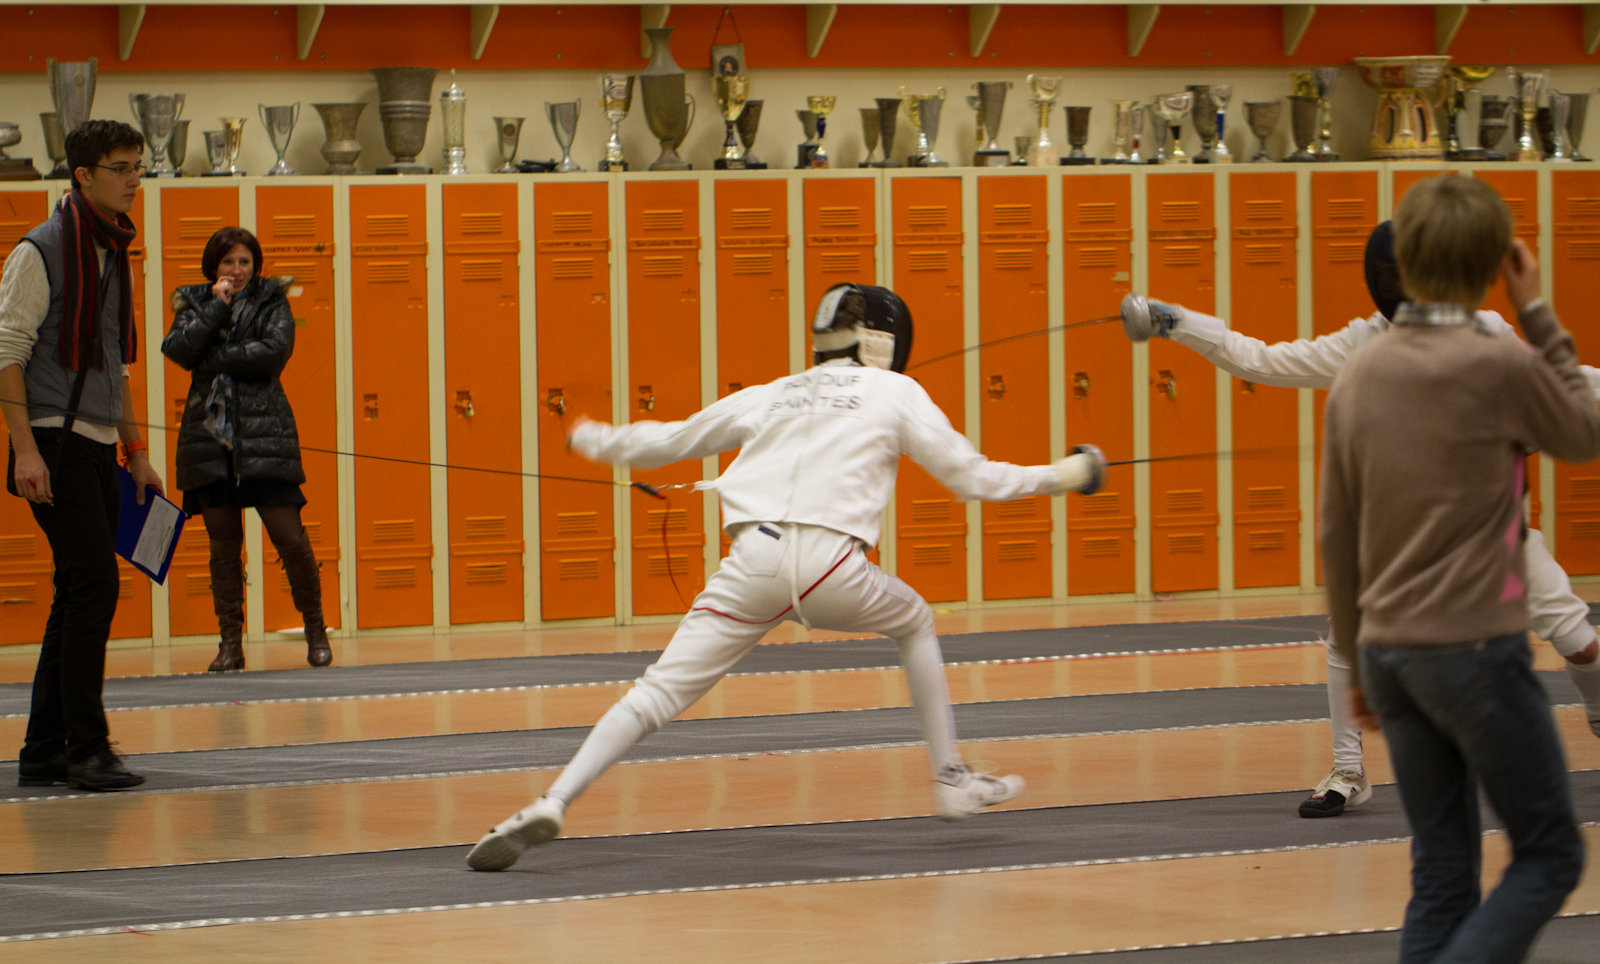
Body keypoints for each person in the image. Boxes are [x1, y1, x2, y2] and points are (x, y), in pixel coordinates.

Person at [466, 283, 1107, 871]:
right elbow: (974, 479)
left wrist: (593, 437)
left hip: (753, 563)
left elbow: (670, 440)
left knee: (654, 694)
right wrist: (1068, 475)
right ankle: (951, 780)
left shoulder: (774, 392)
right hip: (833, 568)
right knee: (915, 621)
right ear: (883, 342)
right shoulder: (897, 393)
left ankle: (553, 800)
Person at [1121, 219, 1600, 819]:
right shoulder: (1365, 342)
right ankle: (1348, 770)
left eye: (1407, 276)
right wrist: (1177, 322)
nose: (1398, 288)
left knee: (1580, 644)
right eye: (1388, 277)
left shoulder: (1485, 333)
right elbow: (1262, 360)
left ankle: (1598, 709)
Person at [1323, 175, 1595, 962]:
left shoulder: (1360, 372)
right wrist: (1535, 310)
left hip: (1388, 653)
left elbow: (1337, 538)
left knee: (1442, 869)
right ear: (1490, 266)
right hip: (1473, 647)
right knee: (1551, 852)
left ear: (1404, 261)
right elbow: (1583, 432)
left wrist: (1357, 665)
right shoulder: (1498, 362)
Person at [0, 119, 162, 791]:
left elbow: (114, 365)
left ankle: (43, 749)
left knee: (77, 589)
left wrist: (137, 450)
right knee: (95, 582)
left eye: (138, 167)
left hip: (96, 445)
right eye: (121, 168)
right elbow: (6, 355)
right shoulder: (40, 250)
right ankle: (86, 747)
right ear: (83, 175)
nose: (134, 180)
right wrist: (25, 451)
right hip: (51, 440)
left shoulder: (111, 251)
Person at [161, 227, 330, 671]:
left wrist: (213, 359)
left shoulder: (272, 300)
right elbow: (178, 349)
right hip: (209, 440)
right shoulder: (194, 301)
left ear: (255, 266)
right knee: (223, 546)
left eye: (244, 262)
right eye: (228, 262)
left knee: (290, 537)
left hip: (265, 435)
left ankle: (315, 629)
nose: (236, 270)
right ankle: (230, 643)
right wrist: (217, 308)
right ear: (213, 266)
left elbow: (274, 352)